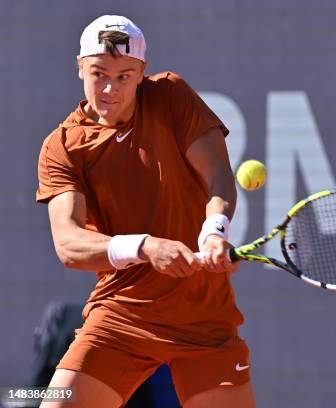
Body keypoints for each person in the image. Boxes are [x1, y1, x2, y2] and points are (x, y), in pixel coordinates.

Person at [35, 15, 254, 407]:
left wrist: (213, 231)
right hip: (121, 316)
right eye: (98, 73)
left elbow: (218, 174)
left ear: (141, 74)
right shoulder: (63, 146)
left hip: (204, 320)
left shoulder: (170, 96)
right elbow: (68, 244)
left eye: (124, 76)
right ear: (80, 67)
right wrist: (145, 247)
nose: (108, 89)